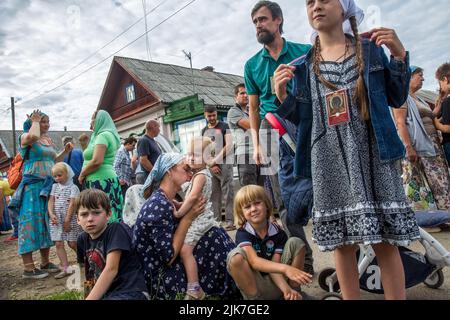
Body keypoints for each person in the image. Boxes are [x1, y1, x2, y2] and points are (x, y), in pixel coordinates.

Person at [273, 0, 420, 299]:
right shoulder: (302, 67)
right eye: (310, 2)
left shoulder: (371, 50)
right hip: (328, 160)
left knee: (386, 242)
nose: (316, 6)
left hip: (374, 154)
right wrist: (281, 95)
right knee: (342, 245)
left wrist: (400, 55)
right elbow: (303, 119)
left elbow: (395, 95)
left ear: (344, 8)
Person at [245, 0, 314, 274]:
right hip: (269, 127)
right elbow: (252, 107)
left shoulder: (304, 52)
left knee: (323, 185)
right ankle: (304, 261)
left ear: (278, 20)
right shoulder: (252, 65)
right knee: (285, 199)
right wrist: (257, 144)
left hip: (304, 121)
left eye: (262, 19)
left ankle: (348, 252)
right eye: (255, 23)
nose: (259, 25)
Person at [133, 153, 238, 300]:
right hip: (163, 278)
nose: (190, 174)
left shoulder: (166, 199)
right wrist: (188, 218)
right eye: (186, 169)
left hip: (170, 267)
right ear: (169, 171)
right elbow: (168, 258)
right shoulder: (157, 205)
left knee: (214, 235)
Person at [11, 110, 73, 279]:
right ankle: (28, 268)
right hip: (32, 187)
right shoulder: (25, 137)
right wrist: (35, 122)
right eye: (42, 121)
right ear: (33, 123)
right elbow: (32, 137)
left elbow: (53, 161)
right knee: (30, 222)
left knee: (47, 223)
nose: (46, 124)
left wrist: (65, 152)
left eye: (47, 121)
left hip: (47, 186)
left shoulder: (46, 140)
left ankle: (45, 262)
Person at [227, 185, 312, 300]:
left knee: (296, 242)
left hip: (279, 285)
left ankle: (294, 293)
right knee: (235, 257)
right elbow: (254, 262)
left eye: (257, 203)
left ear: (266, 205)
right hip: (257, 287)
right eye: (247, 207)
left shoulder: (278, 233)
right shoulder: (243, 233)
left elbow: (274, 266)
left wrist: (286, 289)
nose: (253, 209)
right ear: (241, 213)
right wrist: (286, 269)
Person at [392, 66, 450, 212]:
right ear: (409, 77)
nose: (423, 78)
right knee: (425, 183)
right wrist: (408, 147)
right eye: (420, 75)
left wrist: (440, 101)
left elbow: (430, 116)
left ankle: (443, 215)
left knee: (440, 179)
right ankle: (433, 217)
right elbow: (400, 123)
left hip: (433, 143)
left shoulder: (420, 100)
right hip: (418, 145)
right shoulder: (401, 98)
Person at [74, 189, 149, 300]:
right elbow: (89, 274)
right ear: (78, 219)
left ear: (109, 214)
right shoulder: (82, 239)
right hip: (107, 294)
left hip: (130, 291)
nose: (90, 219)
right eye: (84, 214)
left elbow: (111, 269)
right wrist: (88, 296)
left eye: (96, 213)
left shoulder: (116, 229)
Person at [173, 137, 220, 300]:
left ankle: (194, 288)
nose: (191, 158)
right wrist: (180, 204)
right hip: (198, 214)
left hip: (200, 218)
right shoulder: (198, 174)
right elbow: (189, 199)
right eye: (189, 154)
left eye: (197, 155)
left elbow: (192, 198)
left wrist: (179, 213)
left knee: (185, 250)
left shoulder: (200, 176)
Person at [79, 110, 123, 223]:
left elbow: (97, 161)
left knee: (100, 218)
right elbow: (92, 157)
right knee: (110, 214)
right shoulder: (107, 135)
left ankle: (104, 240)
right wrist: (84, 145)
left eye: (92, 122)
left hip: (99, 181)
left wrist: (82, 174)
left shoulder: (102, 136)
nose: (90, 126)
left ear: (99, 120)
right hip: (107, 179)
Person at [201, 106, 235, 231]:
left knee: (228, 192)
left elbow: (229, 145)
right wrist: (212, 164)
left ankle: (230, 221)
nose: (212, 118)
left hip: (225, 162)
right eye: (209, 116)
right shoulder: (203, 130)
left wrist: (216, 160)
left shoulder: (224, 126)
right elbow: (204, 150)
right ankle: (216, 222)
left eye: (214, 115)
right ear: (205, 115)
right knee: (214, 195)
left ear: (216, 114)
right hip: (211, 166)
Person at [48, 162, 81, 279]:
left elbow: (72, 204)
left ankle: (84, 258)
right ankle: (66, 268)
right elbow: (51, 200)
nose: (57, 178)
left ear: (67, 174)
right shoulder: (54, 186)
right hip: (56, 219)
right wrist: (51, 214)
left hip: (69, 219)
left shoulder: (73, 187)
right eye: (55, 176)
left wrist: (67, 220)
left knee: (72, 243)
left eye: (59, 175)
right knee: (58, 243)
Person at [228, 83, 264, 187]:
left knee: (261, 191)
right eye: (242, 93)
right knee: (250, 191)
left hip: (258, 153)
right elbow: (251, 125)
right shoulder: (233, 111)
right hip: (245, 155)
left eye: (247, 93)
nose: (246, 95)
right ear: (236, 97)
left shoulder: (250, 112)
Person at [433, 62, 450, 165]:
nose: (440, 87)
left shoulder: (448, 102)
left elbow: (448, 128)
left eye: (440, 83)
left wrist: (435, 123)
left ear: (445, 79)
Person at [135, 120, 162, 184]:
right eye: (158, 127)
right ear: (153, 127)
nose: (159, 130)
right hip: (146, 176)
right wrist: (155, 173)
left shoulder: (152, 140)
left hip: (150, 175)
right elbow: (143, 160)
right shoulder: (144, 140)